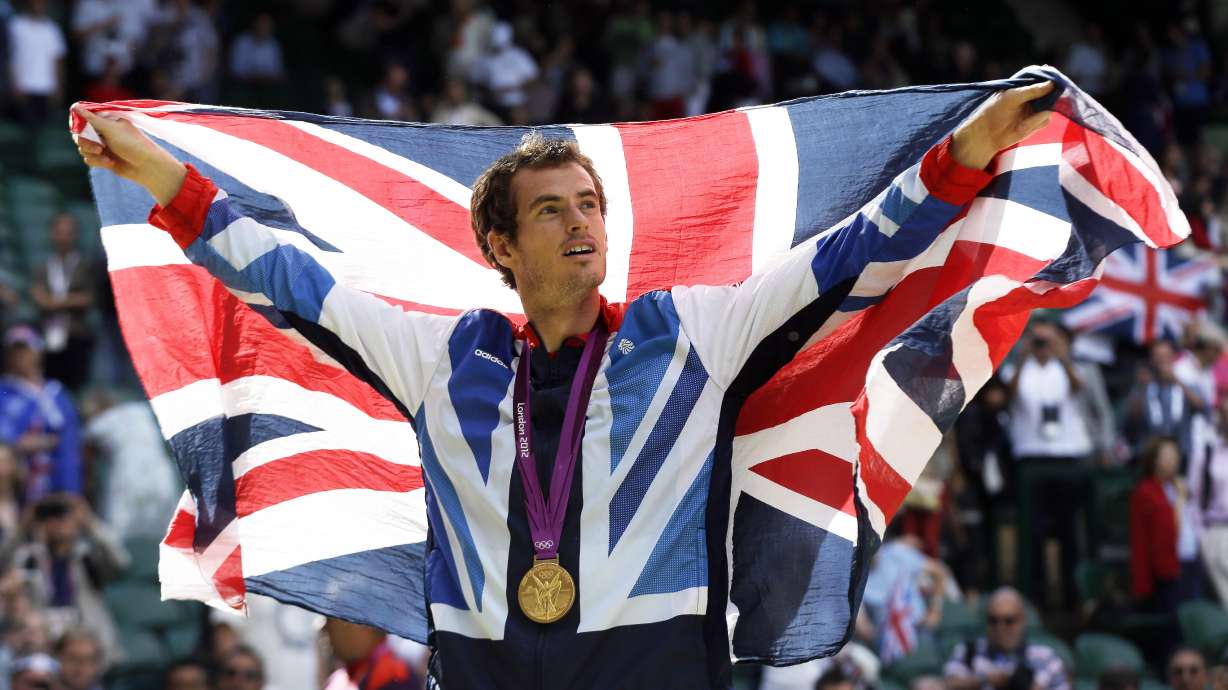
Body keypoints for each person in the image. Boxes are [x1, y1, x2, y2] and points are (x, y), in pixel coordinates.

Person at [73, 79, 1055, 689]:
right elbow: (290, 279)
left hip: (653, 666)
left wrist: (967, 152)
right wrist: (165, 177)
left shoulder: (695, 332)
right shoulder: (440, 355)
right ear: (500, 244)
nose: (582, 222)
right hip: (487, 668)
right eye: (551, 211)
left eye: (590, 204)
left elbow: (852, 253)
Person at [1006, 319, 1092, 607]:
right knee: (1034, 531)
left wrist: (1062, 355)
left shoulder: (1066, 368)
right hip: (1032, 455)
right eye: (1038, 341)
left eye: (1047, 341)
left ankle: (1072, 595)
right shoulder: (1021, 369)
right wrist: (1023, 356)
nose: (1043, 347)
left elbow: (1080, 389)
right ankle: (1037, 597)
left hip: (1066, 456)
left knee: (1069, 530)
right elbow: (1010, 395)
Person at [9, 494, 128, 662]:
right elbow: (4, 566)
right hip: (43, 636)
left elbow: (121, 562)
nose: (59, 523)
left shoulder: (87, 557)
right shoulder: (29, 557)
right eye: (51, 516)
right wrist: (22, 528)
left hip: (85, 632)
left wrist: (90, 523)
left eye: (64, 516)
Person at [0, 326, 83, 503]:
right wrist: (47, 441)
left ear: (38, 352)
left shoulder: (56, 393)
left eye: (25, 350)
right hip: (21, 483)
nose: (20, 356)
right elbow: (7, 441)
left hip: (60, 482)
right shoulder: (4, 391)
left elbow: (70, 438)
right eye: (15, 352)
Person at [943, 588, 1070, 690]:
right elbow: (948, 683)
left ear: (1022, 621)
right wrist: (986, 680)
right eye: (993, 621)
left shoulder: (1046, 658)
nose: (1000, 628)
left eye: (1009, 621)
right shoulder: (969, 651)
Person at [1130, 436, 1199, 609]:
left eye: (1175, 455)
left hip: (1191, 561)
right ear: (1154, 460)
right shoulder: (1146, 492)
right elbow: (1167, 530)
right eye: (1167, 456)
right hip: (1168, 569)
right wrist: (1181, 500)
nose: (1173, 460)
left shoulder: (1177, 486)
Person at [30, 213, 96, 392]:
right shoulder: (43, 266)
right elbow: (39, 299)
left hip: (76, 335)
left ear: (75, 235)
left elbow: (87, 299)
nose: (63, 237)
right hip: (47, 334)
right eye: (59, 232)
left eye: (68, 233)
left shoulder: (84, 265)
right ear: (52, 234)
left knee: (75, 388)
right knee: (47, 386)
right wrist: (70, 300)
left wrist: (54, 301)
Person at [1193, 396, 1228, 604]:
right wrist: (1202, 539)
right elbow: (1193, 501)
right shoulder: (1205, 454)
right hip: (1217, 531)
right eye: (1225, 413)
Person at [322, 618, 421, 690]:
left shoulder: (394, 676)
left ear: (364, 624)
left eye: (331, 618)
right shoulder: (337, 680)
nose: (324, 627)